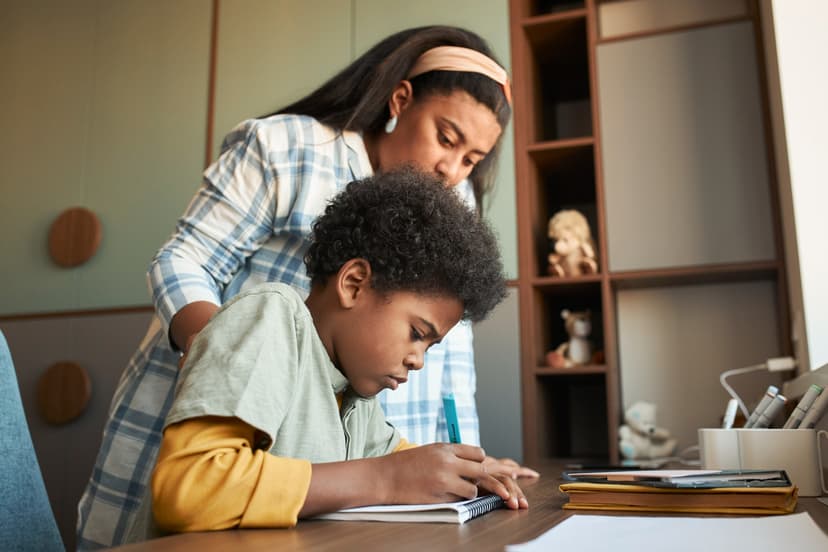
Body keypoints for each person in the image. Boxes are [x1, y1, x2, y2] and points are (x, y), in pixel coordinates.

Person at [77, 25, 536, 550]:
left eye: (471, 160)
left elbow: (450, 363)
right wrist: (230, 357)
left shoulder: (360, 393)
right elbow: (185, 259)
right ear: (401, 100)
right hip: (237, 432)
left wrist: (458, 459)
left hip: (342, 484)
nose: (451, 170)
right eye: (446, 138)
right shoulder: (290, 148)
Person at [122, 169, 526, 543]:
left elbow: (401, 459)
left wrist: (470, 470)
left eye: (429, 346)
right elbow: (187, 488)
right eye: (417, 334)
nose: (418, 359)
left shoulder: (354, 392)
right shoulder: (270, 317)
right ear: (353, 283)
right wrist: (384, 480)